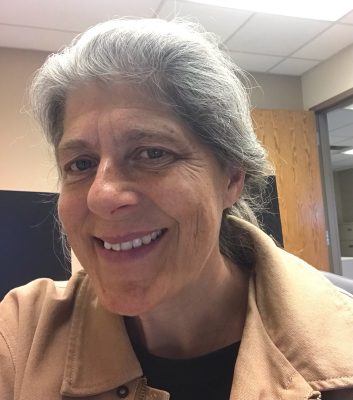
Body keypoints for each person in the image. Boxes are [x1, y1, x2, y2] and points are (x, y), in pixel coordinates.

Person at [1, 18, 353, 400]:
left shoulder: (341, 336)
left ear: (232, 178)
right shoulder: (21, 335)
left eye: (152, 153)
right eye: (81, 164)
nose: (101, 196)